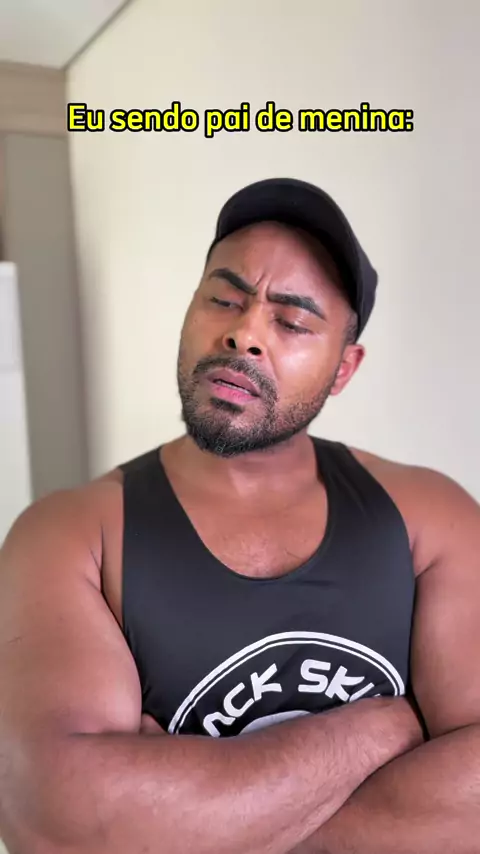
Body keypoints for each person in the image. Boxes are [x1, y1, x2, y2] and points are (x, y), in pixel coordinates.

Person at [0, 177, 479, 854]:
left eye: (292, 321)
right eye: (224, 299)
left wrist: (201, 825)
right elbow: (52, 821)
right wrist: (379, 733)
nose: (244, 333)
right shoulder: (73, 535)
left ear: (344, 370)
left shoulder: (427, 516)